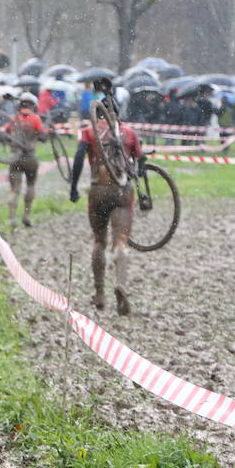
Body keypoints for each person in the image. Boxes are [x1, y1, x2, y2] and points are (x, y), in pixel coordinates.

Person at [69, 81, 146, 316]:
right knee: (120, 241)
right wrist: (139, 174)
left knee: (99, 241)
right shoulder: (129, 133)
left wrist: (73, 187)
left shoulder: (90, 131)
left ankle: (99, 293)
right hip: (122, 191)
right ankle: (120, 285)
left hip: (98, 191)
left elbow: (80, 157)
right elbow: (141, 163)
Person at [4, 92, 46, 229]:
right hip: (30, 157)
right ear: (33, 105)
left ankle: (12, 218)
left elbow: (6, 134)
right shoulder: (35, 119)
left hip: (15, 157)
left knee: (14, 189)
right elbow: (43, 136)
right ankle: (26, 215)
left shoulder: (14, 119)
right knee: (30, 186)